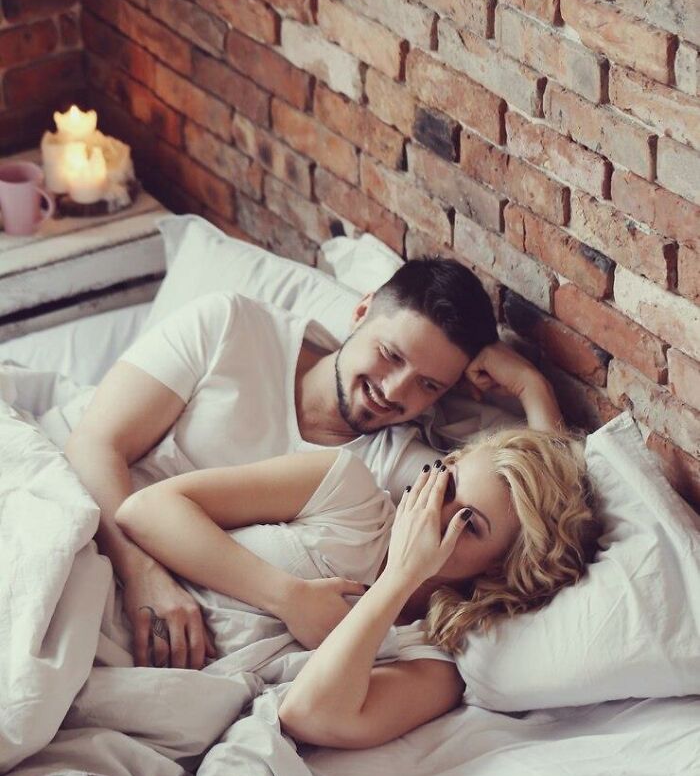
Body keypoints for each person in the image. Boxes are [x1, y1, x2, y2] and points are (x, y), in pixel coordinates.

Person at [65, 256, 562, 671]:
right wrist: (142, 572)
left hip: (171, 610)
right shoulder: (232, 328)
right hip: (90, 520)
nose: (394, 392)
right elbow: (94, 445)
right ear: (362, 311)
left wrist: (530, 387)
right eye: (391, 355)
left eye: (428, 386)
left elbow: (537, 503)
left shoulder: (394, 470)